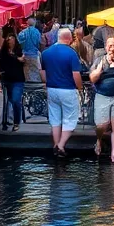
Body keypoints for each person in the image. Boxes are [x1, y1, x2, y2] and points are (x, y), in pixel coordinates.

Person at [40, 27, 84, 157]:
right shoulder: (71, 53)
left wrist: (48, 83)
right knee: (70, 118)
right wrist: (80, 88)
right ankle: (60, 145)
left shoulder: (45, 53)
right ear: (69, 39)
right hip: (68, 89)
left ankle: (56, 145)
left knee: (55, 118)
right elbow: (76, 74)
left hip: (51, 89)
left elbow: (42, 72)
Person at [0, 35, 26, 131]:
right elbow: (1, 64)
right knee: (9, 100)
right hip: (7, 79)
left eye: (12, 39)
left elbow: (23, 61)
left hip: (18, 79)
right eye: (9, 39)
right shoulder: (3, 53)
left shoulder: (19, 52)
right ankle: (7, 120)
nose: (10, 41)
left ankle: (16, 122)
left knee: (15, 100)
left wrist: (18, 59)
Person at [18, 17, 43, 83]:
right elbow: (40, 42)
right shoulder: (37, 32)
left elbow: (19, 43)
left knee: (27, 73)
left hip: (25, 55)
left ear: (27, 23)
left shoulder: (22, 33)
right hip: (34, 54)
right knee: (35, 72)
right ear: (34, 23)